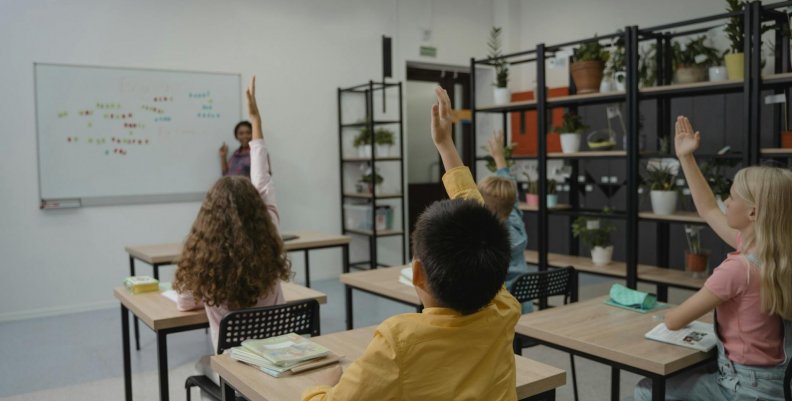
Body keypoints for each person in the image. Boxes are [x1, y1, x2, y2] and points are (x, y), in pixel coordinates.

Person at [301, 87, 520, 401]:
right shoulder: (503, 308)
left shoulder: (399, 341)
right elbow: (475, 212)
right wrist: (445, 145)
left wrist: (323, 383)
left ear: (417, 273)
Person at [632, 116, 792, 401]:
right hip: (776, 385)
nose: (726, 202)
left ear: (753, 213)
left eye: (731, 197)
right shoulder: (777, 252)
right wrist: (686, 157)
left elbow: (674, 320)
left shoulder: (737, 269)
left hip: (742, 389)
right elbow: (707, 209)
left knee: (645, 391)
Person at [173, 76, 290, 393]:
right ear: (258, 207)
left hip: (235, 373)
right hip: (279, 363)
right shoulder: (271, 233)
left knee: (200, 366)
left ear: (208, 215)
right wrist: (256, 120)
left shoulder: (207, 262)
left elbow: (185, 303)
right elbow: (262, 178)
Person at [481, 130, 533, 313]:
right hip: (524, 311)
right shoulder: (515, 222)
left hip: (500, 317)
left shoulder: (486, 241)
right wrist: (499, 157)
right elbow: (512, 196)